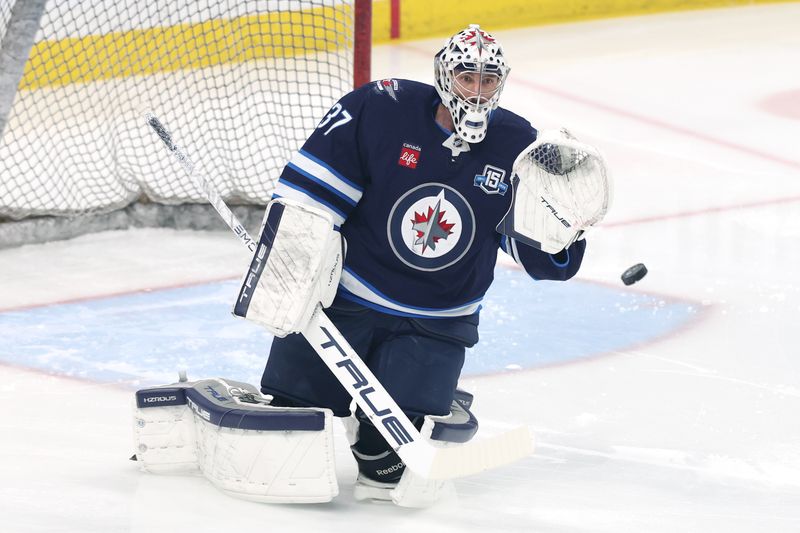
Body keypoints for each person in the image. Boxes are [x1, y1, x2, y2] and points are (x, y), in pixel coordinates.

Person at [257, 24, 605, 504]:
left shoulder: (517, 145)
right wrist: (286, 277)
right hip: (348, 302)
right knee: (291, 427)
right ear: (445, 75)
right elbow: (308, 200)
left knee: (387, 469)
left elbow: (544, 260)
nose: (478, 92)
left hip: (438, 321)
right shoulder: (381, 108)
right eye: (468, 78)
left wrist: (569, 225)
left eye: (488, 81)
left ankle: (380, 434)